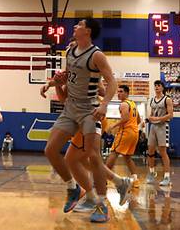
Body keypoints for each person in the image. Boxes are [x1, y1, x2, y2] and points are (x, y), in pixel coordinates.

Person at [42, 17, 117, 223]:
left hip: (89, 110)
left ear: (88, 32)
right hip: (70, 108)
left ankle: (101, 205)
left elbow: (112, 82)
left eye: (80, 25)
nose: (75, 27)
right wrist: (51, 83)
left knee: (93, 156)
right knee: (50, 149)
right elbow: (69, 76)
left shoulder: (97, 55)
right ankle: (73, 187)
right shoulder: (69, 52)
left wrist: (104, 105)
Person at [105, 85, 140, 181]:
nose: (118, 94)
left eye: (121, 91)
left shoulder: (124, 104)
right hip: (135, 133)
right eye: (118, 91)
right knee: (127, 158)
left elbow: (125, 119)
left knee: (114, 152)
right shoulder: (133, 104)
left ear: (127, 93)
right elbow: (139, 120)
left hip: (126, 132)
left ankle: (103, 178)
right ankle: (135, 180)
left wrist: (113, 126)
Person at [146, 80, 174, 186]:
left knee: (163, 152)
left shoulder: (167, 99)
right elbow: (152, 113)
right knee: (150, 151)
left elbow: (171, 115)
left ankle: (167, 177)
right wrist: (150, 117)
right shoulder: (152, 100)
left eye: (158, 85)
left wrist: (158, 118)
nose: (156, 87)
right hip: (153, 126)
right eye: (155, 86)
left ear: (162, 88)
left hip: (163, 126)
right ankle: (152, 173)